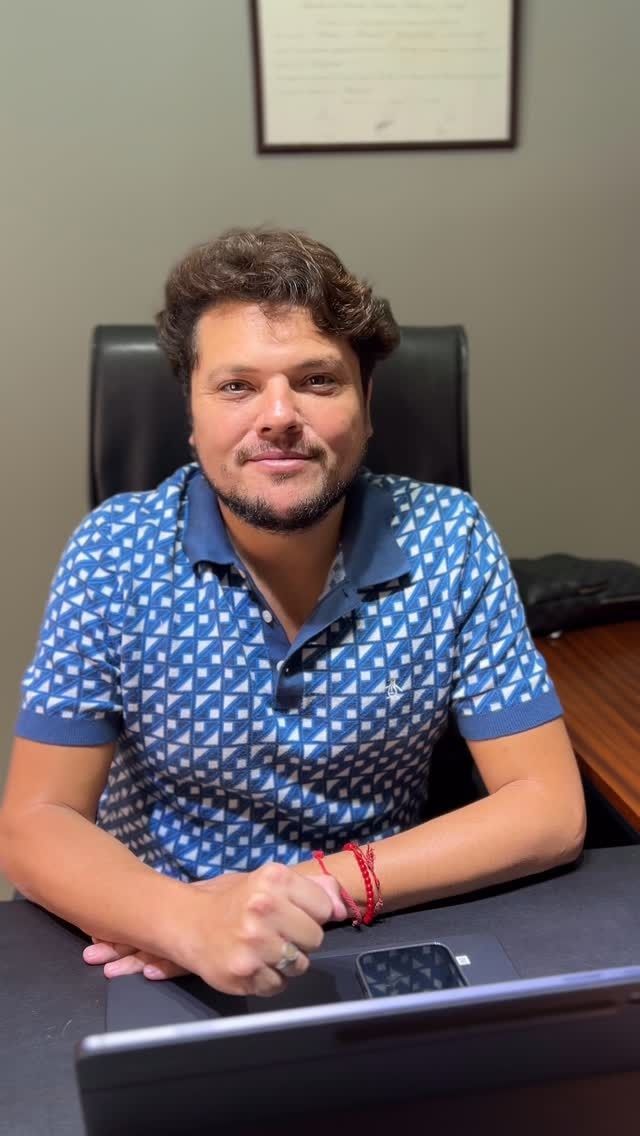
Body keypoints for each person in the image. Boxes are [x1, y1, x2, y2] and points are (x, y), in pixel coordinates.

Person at [0, 228, 586, 997]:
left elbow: (548, 808)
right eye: (237, 386)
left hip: (379, 923)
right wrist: (185, 922)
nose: (278, 416)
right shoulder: (114, 551)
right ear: (192, 415)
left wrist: (311, 892)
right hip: (152, 939)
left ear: (366, 406)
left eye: (316, 380)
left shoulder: (449, 538)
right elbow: (35, 821)